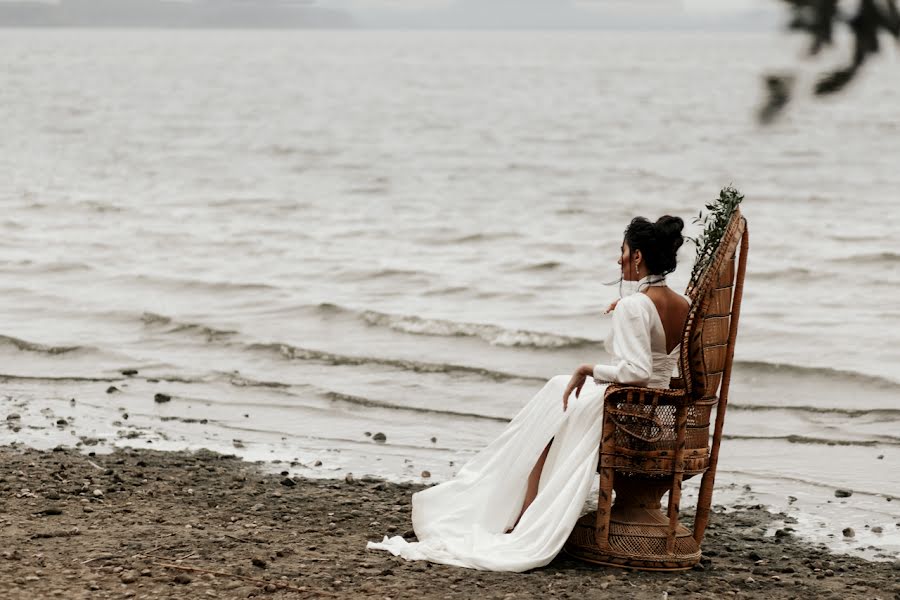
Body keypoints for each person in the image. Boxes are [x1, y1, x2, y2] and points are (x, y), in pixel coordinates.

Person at [367, 215, 690, 572]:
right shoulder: (683, 303)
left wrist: (587, 369)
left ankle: (523, 514)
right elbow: (659, 359)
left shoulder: (635, 305)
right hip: (657, 411)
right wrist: (631, 309)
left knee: (554, 402)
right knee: (555, 394)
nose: (619, 260)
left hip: (627, 407)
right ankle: (523, 508)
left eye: (623, 251)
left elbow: (637, 373)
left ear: (639, 256)